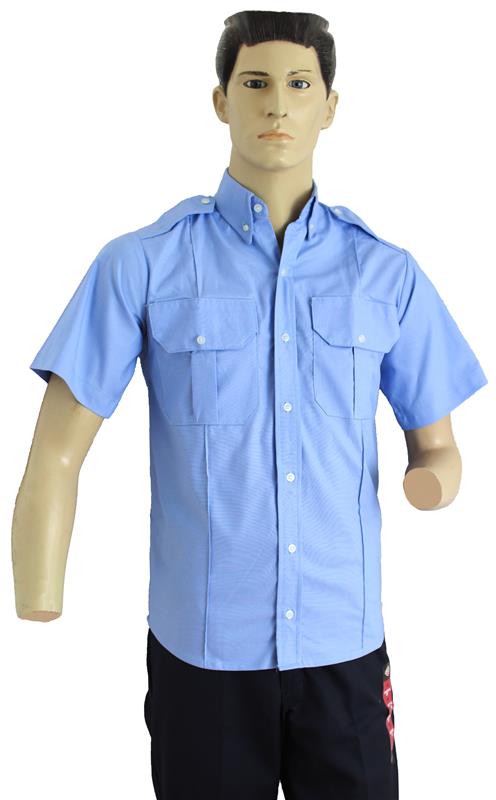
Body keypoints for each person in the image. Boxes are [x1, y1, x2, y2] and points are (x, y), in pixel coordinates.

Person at [12, 9, 488, 800]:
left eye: (300, 85)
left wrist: (434, 477)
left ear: (330, 106)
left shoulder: (385, 273)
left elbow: (436, 444)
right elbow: (57, 452)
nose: (277, 104)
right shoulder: (144, 264)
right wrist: (39, 587)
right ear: (220, 100)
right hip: (204, 652)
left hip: (343, 644)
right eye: (256, 83)